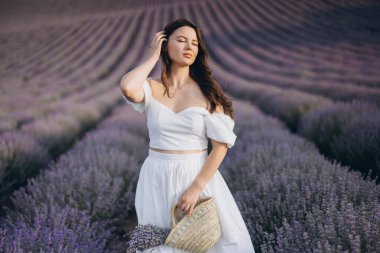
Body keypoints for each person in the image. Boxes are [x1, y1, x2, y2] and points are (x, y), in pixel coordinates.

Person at [120, 18, 255, 253]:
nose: (189, 47)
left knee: (205, 244)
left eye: (194, 43)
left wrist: (195, 188)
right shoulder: (152, 88)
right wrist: (152, 57)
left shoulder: (207, 93)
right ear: (165, 46)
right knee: (160, 243)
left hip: (195, 176)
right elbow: (128, 87)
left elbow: (220, 146)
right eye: (181, 40)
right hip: (155, 176)